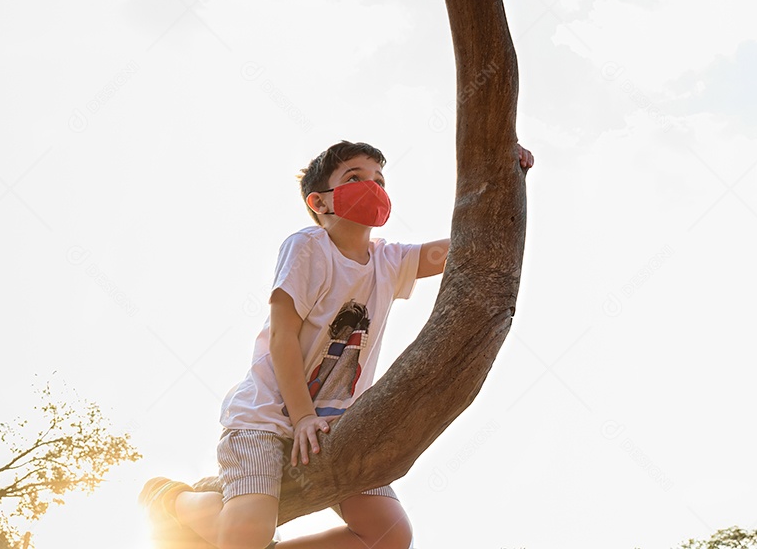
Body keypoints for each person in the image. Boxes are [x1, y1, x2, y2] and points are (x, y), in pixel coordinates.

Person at [141, 140, 534, 549]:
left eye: (379, 179)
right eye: (355, 178)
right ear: (320, 201)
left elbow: (469, 245)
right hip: (268, 418)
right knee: (243, 539)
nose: (373, 186)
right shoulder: (308, 247)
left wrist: (506, 176)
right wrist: (303, 416)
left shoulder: (390, 261)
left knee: (391, 536)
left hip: (336, 428)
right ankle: (171, 500)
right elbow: (282, 336)